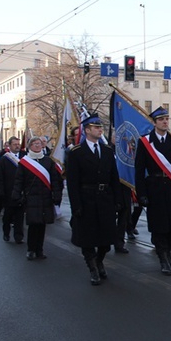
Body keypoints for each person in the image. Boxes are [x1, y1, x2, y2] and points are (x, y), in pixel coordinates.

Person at [66, 115, 123, 285]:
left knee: (106, 238)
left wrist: (118, 199)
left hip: (105, 199)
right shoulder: (76, 153)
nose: (100, 130)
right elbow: (72, 182)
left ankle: (99, 260)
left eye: (100, 127)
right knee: (88, 237)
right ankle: (92, 267)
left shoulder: (107, 151)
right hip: (86, 199)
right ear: (87, 130)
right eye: (96, 127)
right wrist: (76, 205)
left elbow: (114, 177)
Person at [134, 106, 171, 275]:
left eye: (167, 119)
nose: (165, 122)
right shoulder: (145, 142)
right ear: (154, 122)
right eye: (161, 119)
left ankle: (168, 250)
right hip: (155, 187)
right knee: (159, 226)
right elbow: (139, 170)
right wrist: (141, 194)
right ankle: (163, 257)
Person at [11, 136, 63, 260]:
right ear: (30, 146)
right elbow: (19, 181)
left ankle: (40, 250)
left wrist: (57, 194)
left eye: (39, 143)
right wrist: (16, 195)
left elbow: (54, 180)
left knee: (42, 225)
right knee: (34, 224)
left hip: (45, 197)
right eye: (34, 143)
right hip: (32, 198)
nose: (37, 145)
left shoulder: (48, 161)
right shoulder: (25, 162)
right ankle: (31, 249)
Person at [0, 137, 25, 243]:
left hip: (20, 192)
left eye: (18, 144)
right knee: (8, 216)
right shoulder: (4, 159)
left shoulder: (24, 157)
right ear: (9, 145)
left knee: (19, 216)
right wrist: (0, 192)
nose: (17, 146)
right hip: (8, 192)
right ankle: (6, 233)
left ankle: (18, 236)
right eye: (15, 144)